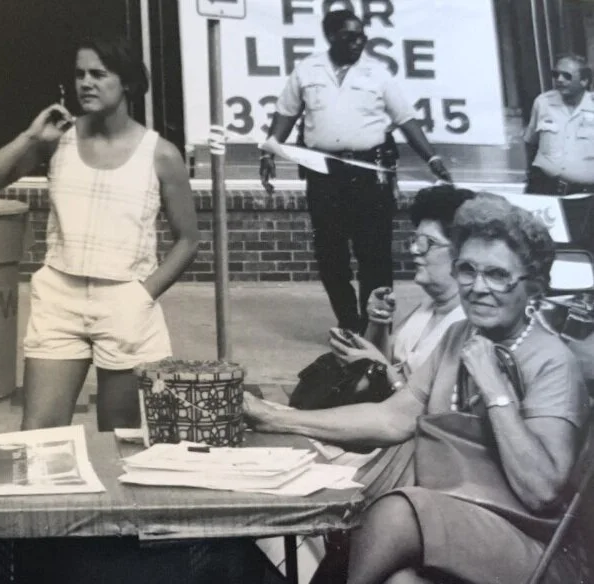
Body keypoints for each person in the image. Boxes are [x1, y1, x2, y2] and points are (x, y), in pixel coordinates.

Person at [244, 195, 590, 583]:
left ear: (534, 287)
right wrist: (275, 417)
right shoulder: (462, 335)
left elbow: (542, 491)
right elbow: (391, 417)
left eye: (497, 275)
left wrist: (494, 388)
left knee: (397, 510)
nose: (477, 287)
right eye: (467, 270)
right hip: (452, 522)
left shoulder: (552, 360)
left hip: (532, 544)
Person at [0, 36, 199, 432]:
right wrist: (29, 137)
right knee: (39, 434)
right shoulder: (58, 141)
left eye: (98, 74)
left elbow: (188, 239)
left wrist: (142, 295)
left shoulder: (159, 153)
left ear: (126, 82)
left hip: (125, 302)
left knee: (120, 434)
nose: (86, 83)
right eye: (79, 74)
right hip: (59, 298)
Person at [261, 9, 453, 334]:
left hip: (369, 173)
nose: (358, 42)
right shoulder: (307, 71)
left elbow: (406, 119)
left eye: (362, 35)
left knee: (374, 254)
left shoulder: (377, 74)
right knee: (330, 255)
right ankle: (349, 322)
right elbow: (286, 113)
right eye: (349, 36)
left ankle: (374, 328)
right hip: (323, 174)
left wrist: (432, 159)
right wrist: (268, 151)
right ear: (331, 36)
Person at [329, 185, 473, 396]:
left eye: (427, 243)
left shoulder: (466, 323)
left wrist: (383, 369)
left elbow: (430, 409)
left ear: (461, 253)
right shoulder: (427, 307)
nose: (414, 249)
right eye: (415, 240)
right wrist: (378, 323)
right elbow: (380, 361)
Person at [523, 54, 594, 252]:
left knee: (582, 249)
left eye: (566, 75)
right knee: (537, 248)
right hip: (545, 189)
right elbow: (530, 142)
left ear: (585, 80)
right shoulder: (543, 103)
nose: (559, 80)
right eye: (556, 74)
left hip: (585, 196)